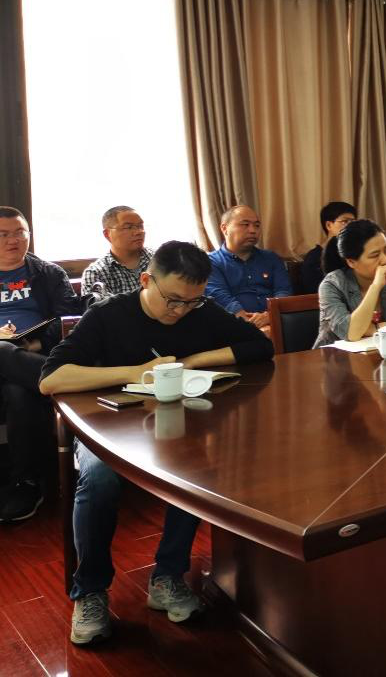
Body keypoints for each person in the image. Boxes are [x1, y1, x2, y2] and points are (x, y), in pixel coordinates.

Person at [40, 240, 274, 646]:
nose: (180, 310)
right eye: (173, 300)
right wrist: (137, 371)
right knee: (98, 480)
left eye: (191, 301)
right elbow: (51, 379)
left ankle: (168, 576)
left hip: (175, 423)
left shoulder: (200, 310)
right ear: (147, 280)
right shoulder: (108, 314)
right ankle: (90, 590)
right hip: (107, 423)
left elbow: (260, 346)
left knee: (196, 469)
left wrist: (189, 362)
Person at [0, 206, 79, 522]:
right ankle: (63, 381)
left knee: (19, 392)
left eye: (20, 232)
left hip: (32, 353)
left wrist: (34, 343)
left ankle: (27, 483)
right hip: (28, 362)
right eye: (3, 234)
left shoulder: (48, 274)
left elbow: (66, 318)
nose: (13, 240)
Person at [315, 219, 386, 346]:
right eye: (374, 255)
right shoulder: (332, 285)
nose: (385, 260)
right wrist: (375, 286)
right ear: (351, 262)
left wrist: (376, 329)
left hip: (382, 351)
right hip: (334, 355)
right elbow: (351, 333)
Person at [206, 205, 292, 332]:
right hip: (235, 325)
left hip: (274, 320)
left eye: (256, 225)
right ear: (224, 228)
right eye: (245, 225)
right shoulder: (211, 262)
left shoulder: (271, 258)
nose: (253, 230)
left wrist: (270, 316)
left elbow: (283, 291)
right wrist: (251, 326)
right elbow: (221, 297)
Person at [81, 206, 153, 304]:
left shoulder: (160, 259)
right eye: (128, 227)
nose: (139, 232)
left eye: (140, 226)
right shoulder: (96, 273)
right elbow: (98, 312)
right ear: (107, 234)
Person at [299, 201, 357, 294]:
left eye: (353, 222)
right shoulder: (314, 258)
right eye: (345, 221)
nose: (351, 226)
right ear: (329, 225)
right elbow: (315, 293)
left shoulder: (356, 253)